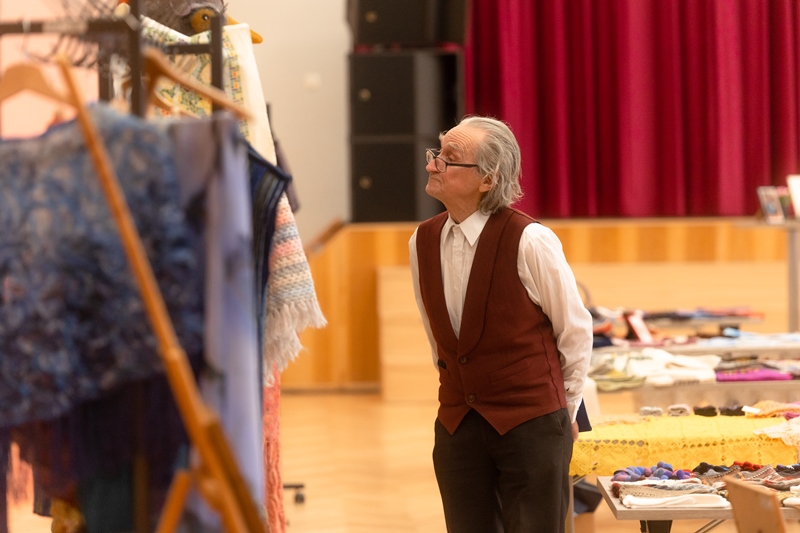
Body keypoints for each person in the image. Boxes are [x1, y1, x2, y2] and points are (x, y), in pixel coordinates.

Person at [409, 116, 593, 533]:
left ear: (488, 179)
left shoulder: (530, 240)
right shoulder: (421, 241)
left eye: (448, 158)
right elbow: (437, 335)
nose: (432, 165)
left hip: (533, 424)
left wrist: (562, 412)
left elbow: (575, 331)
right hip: (457, 424)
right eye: (436, 154)